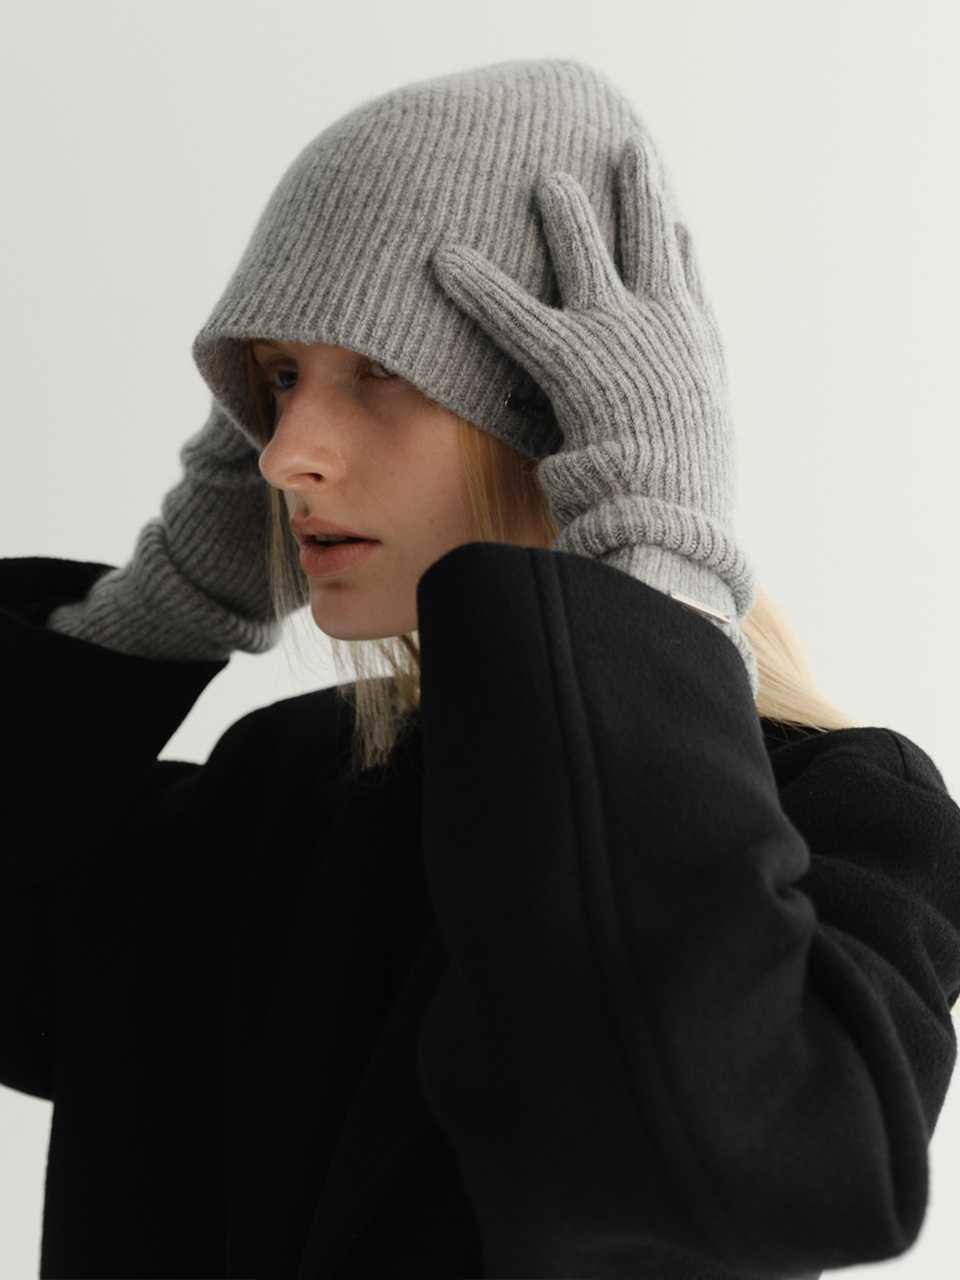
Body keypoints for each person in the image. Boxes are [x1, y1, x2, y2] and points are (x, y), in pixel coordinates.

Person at [2, 58, 959, 1280]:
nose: (285, 452)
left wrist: (652, 555)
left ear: (567, 413)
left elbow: (719, 1160)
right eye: (281, 379)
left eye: (379, 371)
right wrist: (166, 601)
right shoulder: (274, 795)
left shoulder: (845, 817)